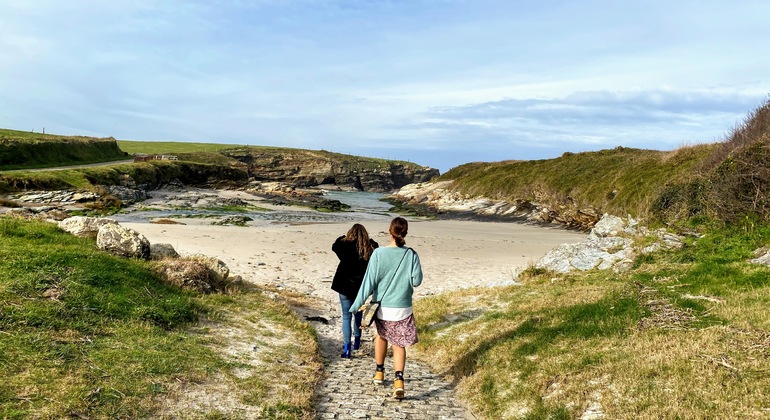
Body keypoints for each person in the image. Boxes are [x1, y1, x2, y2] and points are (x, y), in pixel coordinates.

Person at [350, 217, 423, 399]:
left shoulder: (378, 254)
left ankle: (379, 372)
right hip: (403, 307)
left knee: (381, 336)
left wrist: (356, 305)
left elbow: (369, 282)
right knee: (399, 344)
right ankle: (399, 380)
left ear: (390, 232)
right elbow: (417, 281)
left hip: (383, 307)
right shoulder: (412, 255)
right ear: (405, 233)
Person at [331, 223, 379, 358]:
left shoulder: (344, 246)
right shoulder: (369, 249)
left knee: (346, 316)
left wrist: (344, 237)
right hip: (361, 288)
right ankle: (357, 341)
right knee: (358, 314)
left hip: (344, 285)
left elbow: (335, 245)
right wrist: (368, 240)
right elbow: (376, 246)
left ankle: (347, 348)